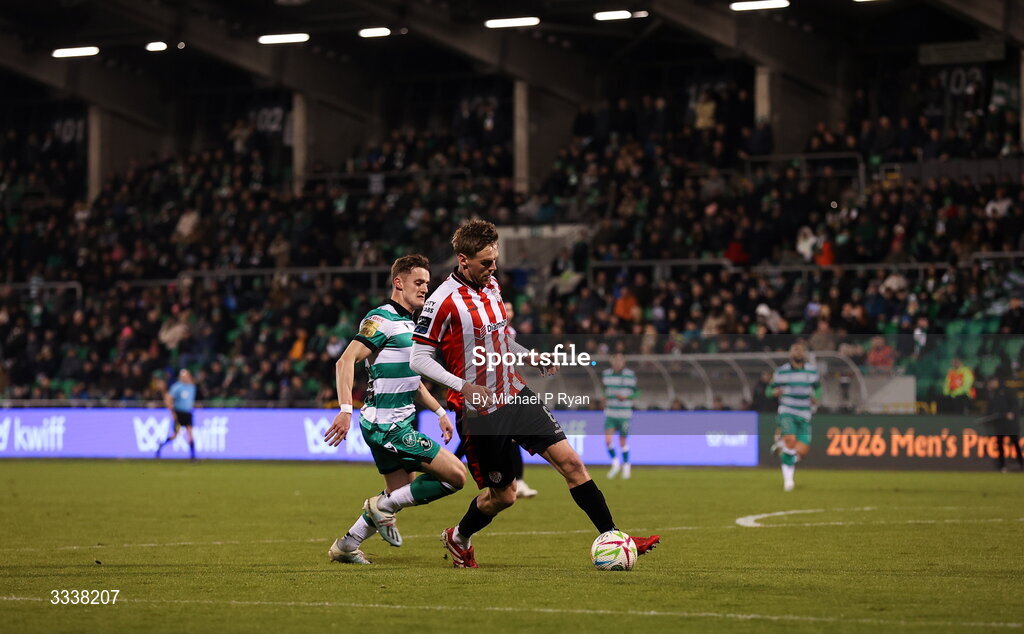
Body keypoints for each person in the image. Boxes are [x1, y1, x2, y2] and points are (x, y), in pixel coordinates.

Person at [409, 220, 660, 568]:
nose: (493, 267)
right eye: (485, 262)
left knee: (572, 463)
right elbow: (418, 357)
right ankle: (458, 537)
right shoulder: (443, 301)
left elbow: (498, 339)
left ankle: (614, 536)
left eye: (494, 259)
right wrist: (463, 386)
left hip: (515, 393)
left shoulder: (492, 285)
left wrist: (527, 355)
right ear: (463, 260)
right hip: (481, 412)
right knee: (504, 496)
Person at [323, 255, 467, 565]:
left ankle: (346, 546)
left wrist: (440, 412)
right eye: (418, 282)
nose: (424, 289)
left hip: (393, 423)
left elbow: (411, 381)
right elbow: (345, 360)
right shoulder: (382, 318)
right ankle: (379, 505)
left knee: (399, 493)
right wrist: (345, 409)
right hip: (389, 426)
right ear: (398, 283)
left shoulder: (414, 325)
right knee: (456, 476)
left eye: (427, 284)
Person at [768, 343, 821, 491]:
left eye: (800, 350)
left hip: (804, 413)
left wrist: (816, 397)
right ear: (790, 353)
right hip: (787, 411)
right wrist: (774, 392)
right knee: (791, 441)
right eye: (795, 350)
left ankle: (781, 446)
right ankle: (788, 481)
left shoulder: (812, 371)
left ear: (804, 353)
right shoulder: (781, 372)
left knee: (801, 450)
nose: (798, 352)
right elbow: (768, 390)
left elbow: (818, 388)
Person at [602, 352, 637, 479]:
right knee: (608, 441)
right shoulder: (606, 374)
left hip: (624, 413)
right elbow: (604, 390)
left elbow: (637, 392)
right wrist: (604, 397)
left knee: (622, 441)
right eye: (615, 360)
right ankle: (615, 464)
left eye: (620, 360)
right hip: (611, 412)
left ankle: (626, 466)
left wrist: (627, 397)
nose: (617, 363)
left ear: (623, 362)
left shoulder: (630, 375)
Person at [156, 369, 198, 460]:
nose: (186, 378)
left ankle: (193, 456)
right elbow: (168, 398)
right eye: (183, 376)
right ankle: (161, 445)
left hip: (188, 413)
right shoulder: (177, 387)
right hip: (179, 413)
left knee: (190, 433)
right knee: (175, 435)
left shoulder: (192, 387)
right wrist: (172, 412)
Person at [984, 377, 1022, 473]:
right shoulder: (992, 394)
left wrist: (1012, 413)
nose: (991, 384)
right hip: (1000, 423)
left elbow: (1015, 404)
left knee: (1015, 444)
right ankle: (1002, 467)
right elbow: (991, 408)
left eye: (992, 382)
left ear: (997, 381)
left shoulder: (1007, 391)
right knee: (1000, 445)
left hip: (1010, 424)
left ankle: (1021, 464)